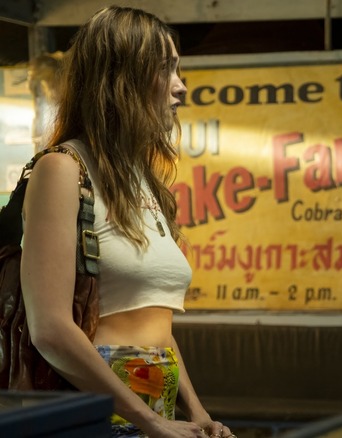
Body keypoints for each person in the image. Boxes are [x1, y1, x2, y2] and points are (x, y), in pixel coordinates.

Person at [20, 6, 235, 438]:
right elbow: (51, 330)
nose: (181, 87)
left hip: (153, 412)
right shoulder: (62, 169)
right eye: (165, 70)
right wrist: (151, 421)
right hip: (94, 413)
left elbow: (156, 330)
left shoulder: (143, 178)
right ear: (121, 78)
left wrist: (196, 413)